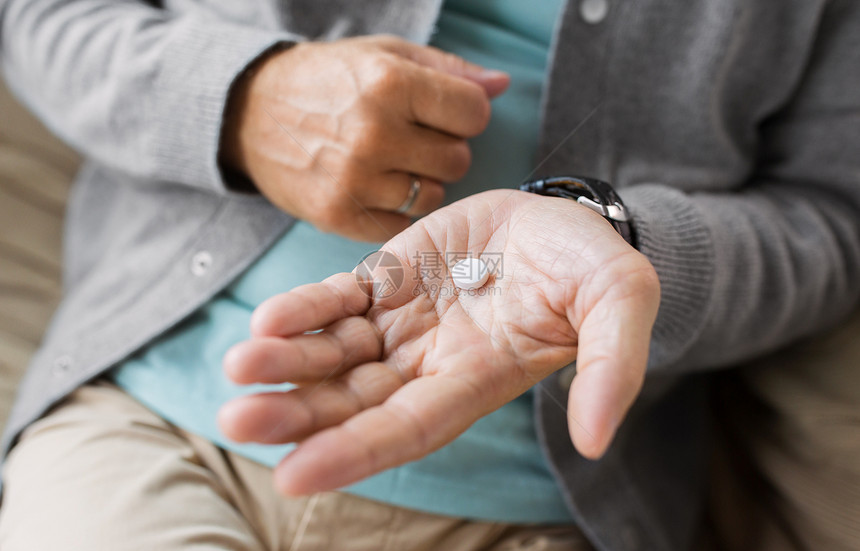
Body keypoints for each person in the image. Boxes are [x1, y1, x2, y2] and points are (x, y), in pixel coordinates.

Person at [0, 1, 858, 550]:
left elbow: (833, 213)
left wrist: (621, 234)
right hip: (155, 429)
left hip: (530, 516)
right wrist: (238, 99)